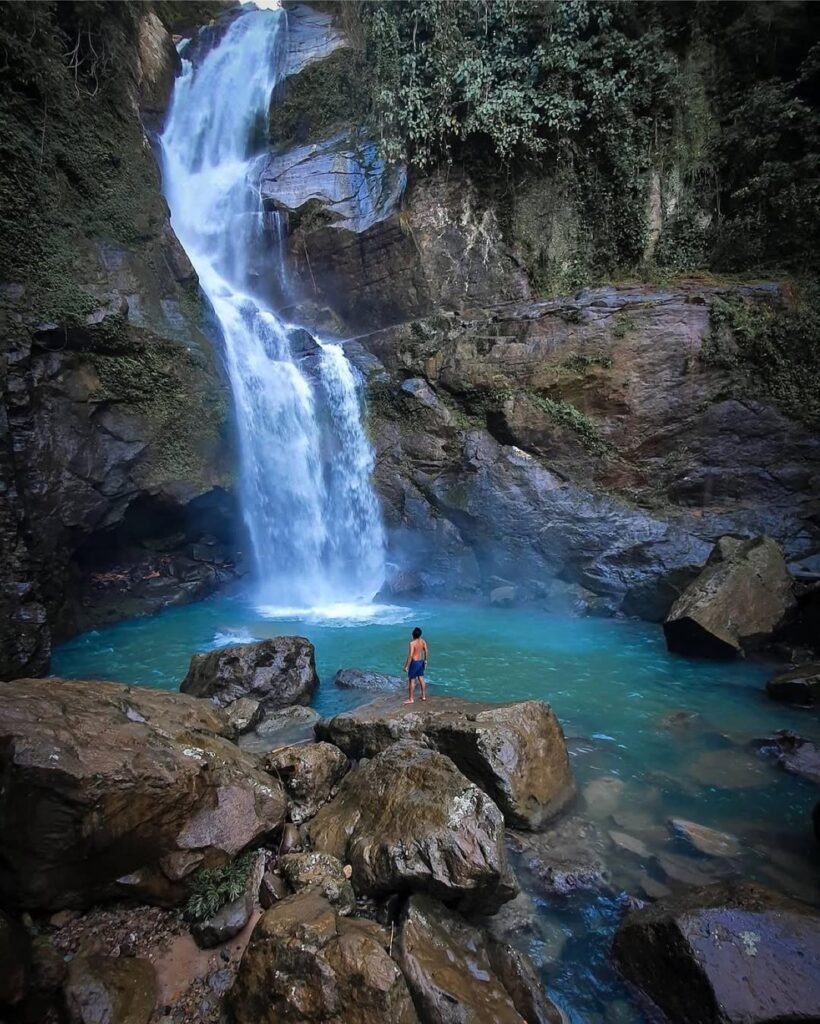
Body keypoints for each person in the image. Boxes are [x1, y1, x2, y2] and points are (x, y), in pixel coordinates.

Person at [403, 626, 428, 704]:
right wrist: (426, 660)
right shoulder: (423, 641)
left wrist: (406, 666)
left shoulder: (412, 643)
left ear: (413, 634)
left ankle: (411, 699)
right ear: (420, 635)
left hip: (414, 663)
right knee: (421, 678)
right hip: (421, 661)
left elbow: (410, 655)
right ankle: (423, 696)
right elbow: (426, 651)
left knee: (412, 680)